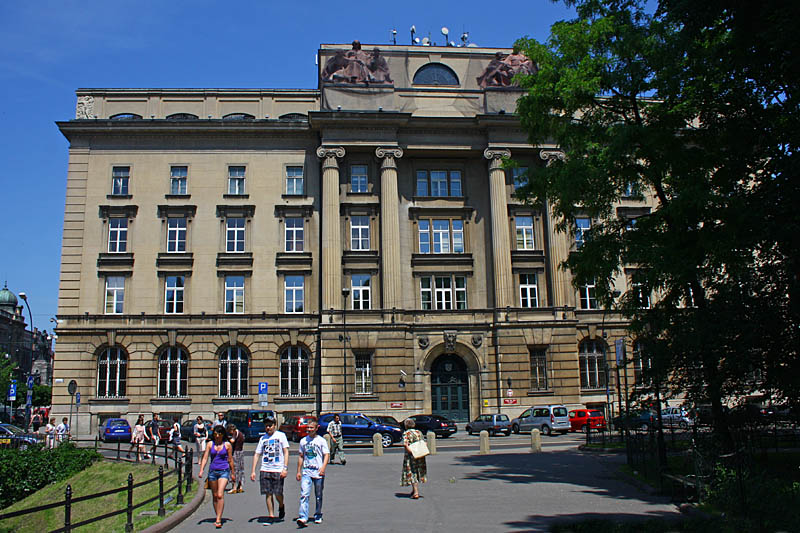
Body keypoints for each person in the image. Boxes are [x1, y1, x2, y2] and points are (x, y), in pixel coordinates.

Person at [251, 416, 290, 525]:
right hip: (265, 468)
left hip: (278, 469)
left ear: (275, 425)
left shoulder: (281, 436)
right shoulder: (263, 439)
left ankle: (281, 505)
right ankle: (271, 515)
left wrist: (285, 468)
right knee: (268, 493)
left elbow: (286, 451)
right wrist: (253, 470)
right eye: (266, 426)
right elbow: (257, 454)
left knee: (278, 493)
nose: (268, 428)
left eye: (270, 425)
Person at [199, 425, 236, 529]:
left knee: (220, 494)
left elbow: (230, 459)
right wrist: (201, 470)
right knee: (215, 495)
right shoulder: (210, 444)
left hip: (224, 471)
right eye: (215, 434)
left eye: (219, 434)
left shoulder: (227, 445)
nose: (217, 436)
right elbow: (205, 457)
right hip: (213, 472)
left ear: (223, 434)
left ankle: (218, 519)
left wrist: (233, 473)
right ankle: (218, 514)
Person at [296, 420, 329, 527]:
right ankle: (303, 517)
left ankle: (318, 514)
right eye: (308, 428)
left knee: (318, 495)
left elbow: (326, 455)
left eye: (311, 428)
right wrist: (298, 471)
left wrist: (323, 468)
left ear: (316, 428)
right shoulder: (303, 441)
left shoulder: (321, 441)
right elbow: (301, 456)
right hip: (307, 471)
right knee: (304, 494)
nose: (309, 430)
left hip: (318, 472)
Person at [401, 418, 427, 499]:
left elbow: (405, 444)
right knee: (418, 471)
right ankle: (414, 490)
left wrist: (411, 452)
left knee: (412, 472)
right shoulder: (419, 432)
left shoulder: (406, 433)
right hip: (420, 455)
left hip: (411, 455)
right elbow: (424, 442)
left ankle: (416, 492)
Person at [227, 423, 245, 494]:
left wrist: (227, 438)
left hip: (235, 452)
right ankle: (240, 486)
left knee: (234, 469)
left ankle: (234, 487)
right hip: (241, 452)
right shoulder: (240, 433)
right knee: (240, 469)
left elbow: (232, 441)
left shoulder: (235, 433)